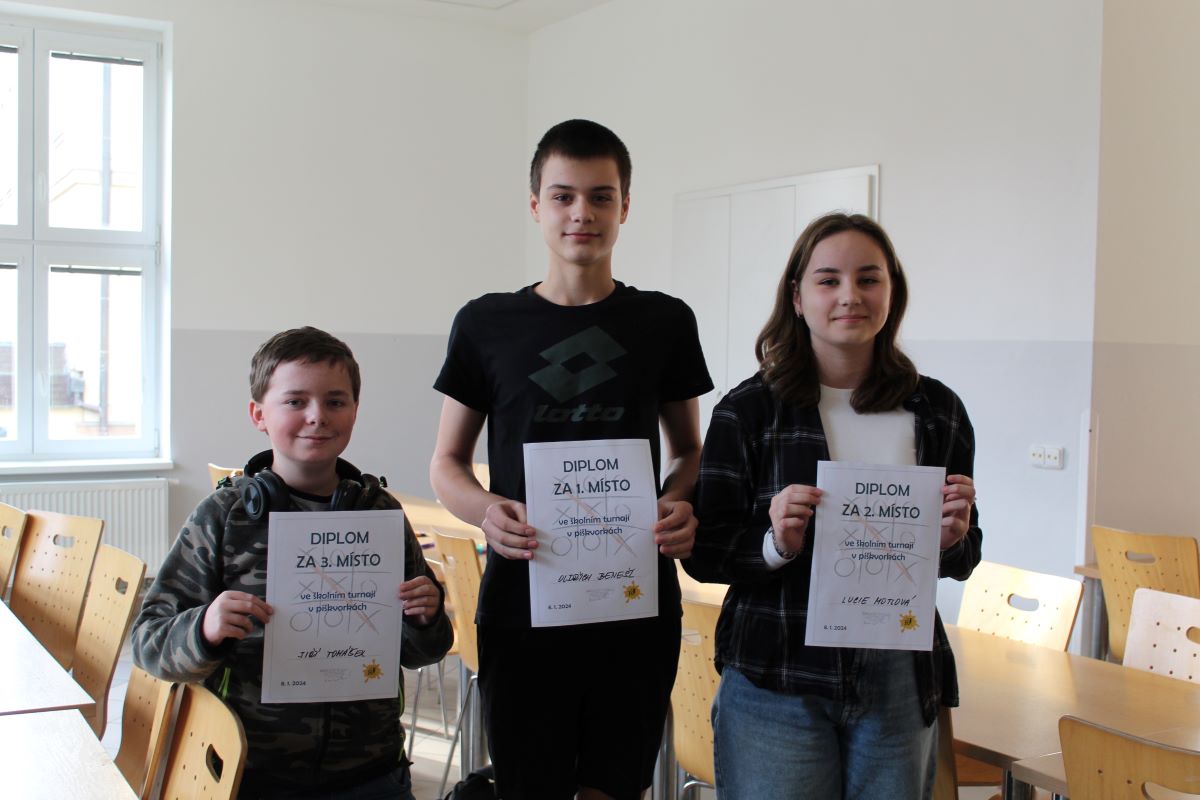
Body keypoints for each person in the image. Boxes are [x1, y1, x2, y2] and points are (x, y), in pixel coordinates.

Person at [430, 119, 713, 800]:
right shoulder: (485, 324)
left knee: (616, 788)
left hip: (633, 601)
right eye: (563, 196)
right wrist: (487, 512)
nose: (581, 213)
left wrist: (676, 501)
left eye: (600, 196)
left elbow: (690, 451)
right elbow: (447, 462)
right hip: (523, 600)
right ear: (536, 206)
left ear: (624, 206)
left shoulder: (664, 322)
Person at [685, 213, 981, 799]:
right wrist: (775, 544)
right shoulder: (748, 411)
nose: (850, 295)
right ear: (797, 298)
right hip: (777, 673)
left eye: (869, 279)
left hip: (898, 675)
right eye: (829, 280)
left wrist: (950, 540)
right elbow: (705, 552)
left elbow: (965, 554)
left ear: (892, 293)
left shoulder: (938, 410)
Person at [133, 326, 453, 800]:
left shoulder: (380, 514)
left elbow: (421, 652)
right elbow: (148, 643)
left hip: (372, 771)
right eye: (295, 401)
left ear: (355, 411)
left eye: (335, 401)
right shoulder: (224, 516)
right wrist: (204, 627)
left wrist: (426, 618)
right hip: (248, 772)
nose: (316, 416)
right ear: (259, 415)